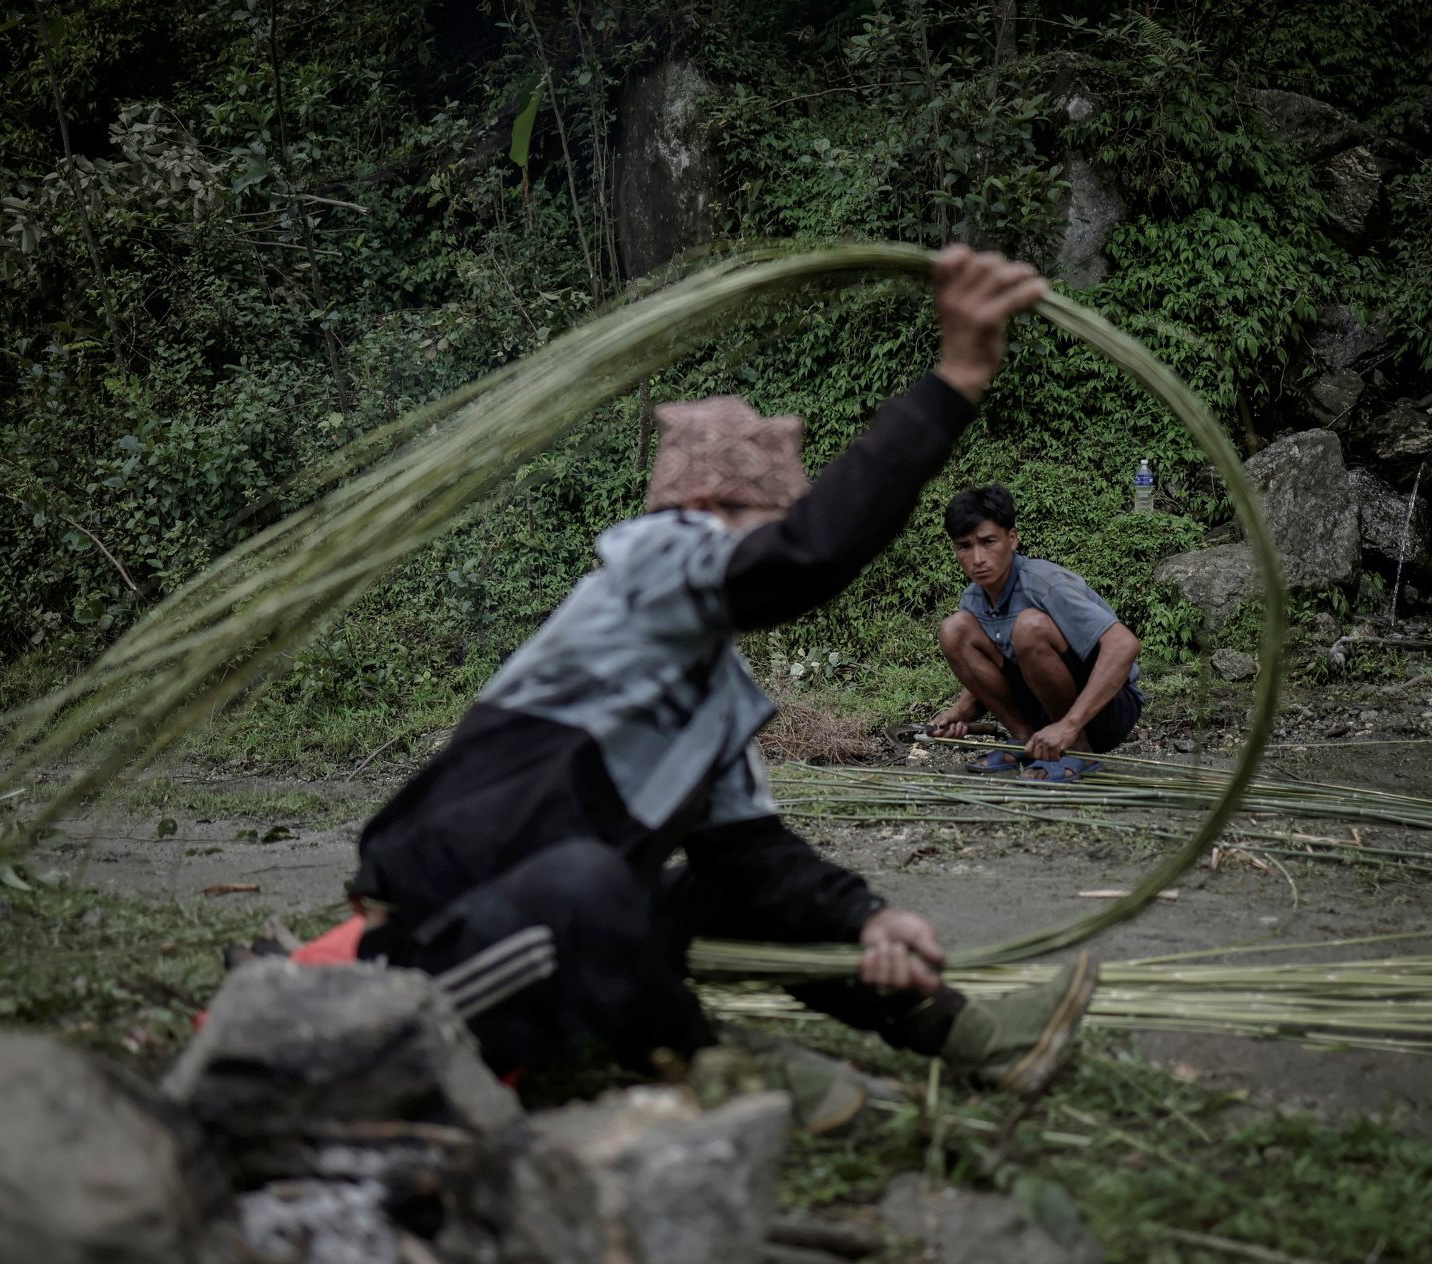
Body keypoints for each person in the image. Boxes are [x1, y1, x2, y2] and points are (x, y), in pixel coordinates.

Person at [349, 247, 1098, 1131]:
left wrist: (867, 921)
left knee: (728, 887)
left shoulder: (712, 685)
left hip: (562, 944)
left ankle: (973, 1039)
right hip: (441, 946)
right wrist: (957, 376)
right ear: (707, 513)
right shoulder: (645, 572)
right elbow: (803, 560)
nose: (769, 543)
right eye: (763, 524)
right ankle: (716, 1065)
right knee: (587, 883)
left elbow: (755, 856)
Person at [927, 484, 1143, 781]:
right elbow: (995, 672)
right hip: (1045, 713)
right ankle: (1027, 741)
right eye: (965, 546)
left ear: (1012, 539)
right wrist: (961, 712)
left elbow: (1124, 645)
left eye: (988, 542)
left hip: (1105, 711)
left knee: (1029, 626)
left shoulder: (1043, 582)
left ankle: (1079, 751)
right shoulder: (973, 599)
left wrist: (1068, 726)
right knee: (954, 628)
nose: (977, 558)